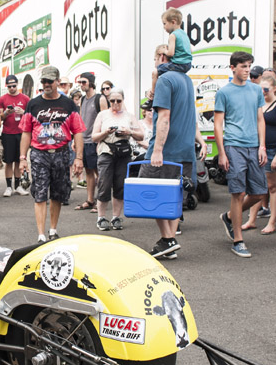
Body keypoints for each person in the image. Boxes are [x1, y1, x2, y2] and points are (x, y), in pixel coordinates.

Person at [19, 65, 85, 242]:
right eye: (44, 81)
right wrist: (22, 158)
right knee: (40, 193)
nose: (46, 84)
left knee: (57, 193)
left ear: (57, 81)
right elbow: (25, 132)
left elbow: (78, 131)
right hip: (39, 154)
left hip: (61, 153)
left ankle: (53, 230)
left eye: (49, 81)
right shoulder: (33, 104)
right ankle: (41, 235)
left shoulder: (68, 104)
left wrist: (79, 158)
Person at [146, 49, 201, 259]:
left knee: (153, 194)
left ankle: (168, 239)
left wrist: (158, 149)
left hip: (167, 150)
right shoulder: (186, 80)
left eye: (155, 58)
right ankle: (168, 242)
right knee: (175, 197)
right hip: (185, 149)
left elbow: (164, 117)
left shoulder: (166, 79)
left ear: (162, 58)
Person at [215, 51, 267, 258]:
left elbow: (260, 119)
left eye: (249, 66)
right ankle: (238, 240)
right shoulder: (224, 92)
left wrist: (262, 146)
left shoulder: (256, 90)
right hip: (233, 145)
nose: (247, 70)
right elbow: (218, 124)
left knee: (259, 193)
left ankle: (229, 217)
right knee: (237, 193)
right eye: (243, 66)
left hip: (254, 147)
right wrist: (221, 153)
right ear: (233, 68)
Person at [241, 75, 276, 235]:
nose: (262, 92)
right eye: (260, 89)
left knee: (273, 187)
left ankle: (272, 222)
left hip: (273, 150)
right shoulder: (259, 105)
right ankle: (251, 220)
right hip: (258, 150)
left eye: (265, 89)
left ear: (275, 89)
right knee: (256, 187)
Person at [92, 88, 143, 231]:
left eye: (118, 101)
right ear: (108, 100)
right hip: (106, 153)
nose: (115, 103)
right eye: (112, 100)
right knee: (104, 185)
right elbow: (94, 137)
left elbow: (141, 135)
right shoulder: (103, 115)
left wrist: (129, 132)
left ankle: (116, 217)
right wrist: (106, 132)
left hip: (123, 154)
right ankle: (101, 217)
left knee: (120, 186)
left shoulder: (129, 116)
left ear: (123, 100)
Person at [0, 74, 30, 196]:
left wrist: (23, 112)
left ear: (17, 85)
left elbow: (32, 116)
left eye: (14, 86)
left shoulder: (25, 99)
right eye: (9, 86)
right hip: (8, 133)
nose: (12, 88)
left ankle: (18, 185)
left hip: (21, 133)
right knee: (9, 161)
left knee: (19, 160)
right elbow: (0, 117)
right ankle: (9, 187)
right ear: (7, 86)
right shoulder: (3, 99)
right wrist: (6, 112)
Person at [74, 71, 101, 212]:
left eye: (83, 82)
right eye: (79, 82)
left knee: (99, 173)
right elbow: (80, 120)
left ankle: (100, 202)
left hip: (95, 141)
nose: (81, 85)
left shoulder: (99, 99)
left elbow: (105, 119)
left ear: (91, 83)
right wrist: (76, 139)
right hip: (84, 141)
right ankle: (90, 200)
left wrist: (101, 141)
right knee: (89, 171)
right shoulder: (83, 99)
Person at [158, 8, 192, 74]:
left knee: (158, 69)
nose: (163, 27)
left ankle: (157, 84)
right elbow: (190, 50)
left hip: (179, 64)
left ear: (173, 22)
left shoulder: (173, 35)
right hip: (188, 64)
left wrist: (164, 51)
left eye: (164, 23)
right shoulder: (184, 34)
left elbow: (171, 53)